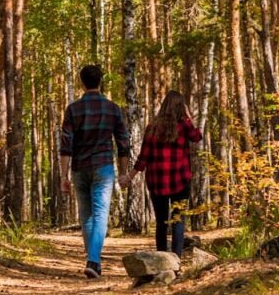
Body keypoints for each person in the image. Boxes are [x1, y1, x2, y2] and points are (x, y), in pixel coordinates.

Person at [59, 65, 131, 279]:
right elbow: (123, 143)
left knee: (86, 215)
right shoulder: (113, 109)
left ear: (82, 83)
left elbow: (65, 145)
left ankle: (93, 260)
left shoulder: (73, 109)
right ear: (100, 81)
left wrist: (63, 175)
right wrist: (124, 172)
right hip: (103, 167)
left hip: (79, 168)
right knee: (100, 214)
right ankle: (93, 260)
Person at [120, 91, 202, 257]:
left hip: (157, 182)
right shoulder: (184, 126)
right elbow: (197, 137)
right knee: (178, 221)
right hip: (181, 180)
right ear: (181, 108)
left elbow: (143, 158)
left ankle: (161, 260)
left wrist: (129, 176)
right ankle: (176, 260)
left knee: (161, 222)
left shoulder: (152, 127)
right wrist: (188, 118)